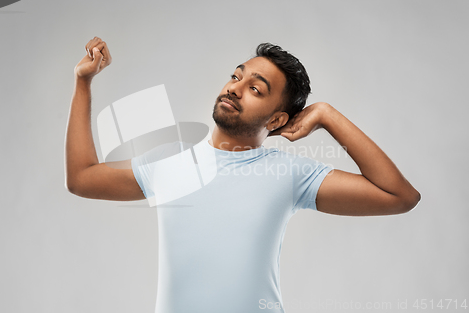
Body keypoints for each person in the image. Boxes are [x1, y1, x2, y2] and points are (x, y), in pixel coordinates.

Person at [65, 37, 421, 312]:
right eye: (236, 76)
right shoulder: (169, 160)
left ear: (277, 119)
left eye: (255, 89)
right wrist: (83, 83)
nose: (234, 87)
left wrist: (327, 115)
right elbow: (82, 178)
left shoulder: (288, 173)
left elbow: (399, 196)